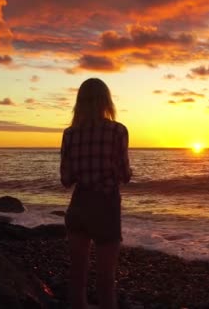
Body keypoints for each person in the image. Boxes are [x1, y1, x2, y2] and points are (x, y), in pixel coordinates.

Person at [60, 78, 132, 309]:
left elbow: (66, 179)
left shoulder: (70, 134)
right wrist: (127, 172)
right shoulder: (117, 131)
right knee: (105, 277)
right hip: (105, 205)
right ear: (106, 101)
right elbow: (123, 174)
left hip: (79, 204)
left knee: (77, 273)